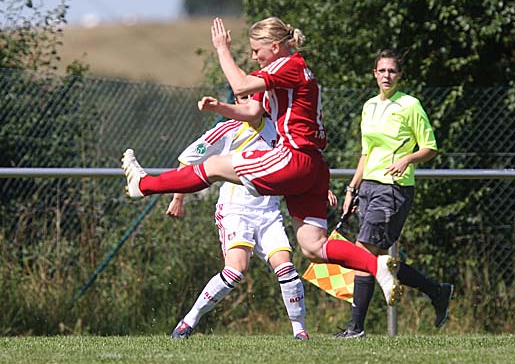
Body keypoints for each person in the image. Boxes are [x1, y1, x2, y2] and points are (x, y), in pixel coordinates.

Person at [121, 16, 400, 309]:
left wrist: (222, 49)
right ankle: (376, 266)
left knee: (213, 166)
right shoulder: (286, 72)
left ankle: (144, 184)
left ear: (276, 47)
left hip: (293, 157)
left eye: (257, 50)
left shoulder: (288, 65)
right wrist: (220, 107)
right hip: (314, 167)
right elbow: (253, 111)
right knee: (313, 247)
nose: (254, 57)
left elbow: (241, 86)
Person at [168, 94, 310, 340]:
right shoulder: (226, 130)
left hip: (269, 212)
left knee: (286, 268)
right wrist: (178, 197)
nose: (248, 104)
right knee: (236, 270)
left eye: (253, 98)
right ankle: (189, 321)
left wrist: (317, 188)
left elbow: (297, 164)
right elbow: (188, 159)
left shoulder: (278, 130)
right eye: (242, 98)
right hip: (236, 210)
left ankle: (300, 331)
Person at [335, 49, 454, 339]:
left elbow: (430, 147)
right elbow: (366, 153)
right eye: (382, 70)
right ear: (374, 74)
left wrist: (407, 159)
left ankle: (356, 328)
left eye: (392, 71)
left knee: (364, 252)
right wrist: (352, 189)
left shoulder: (410, 105)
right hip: (368, 187)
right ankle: (436, 291)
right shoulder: (368, 106)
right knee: (373, 257)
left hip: (393, 188)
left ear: (400, 75)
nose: (387, 75)